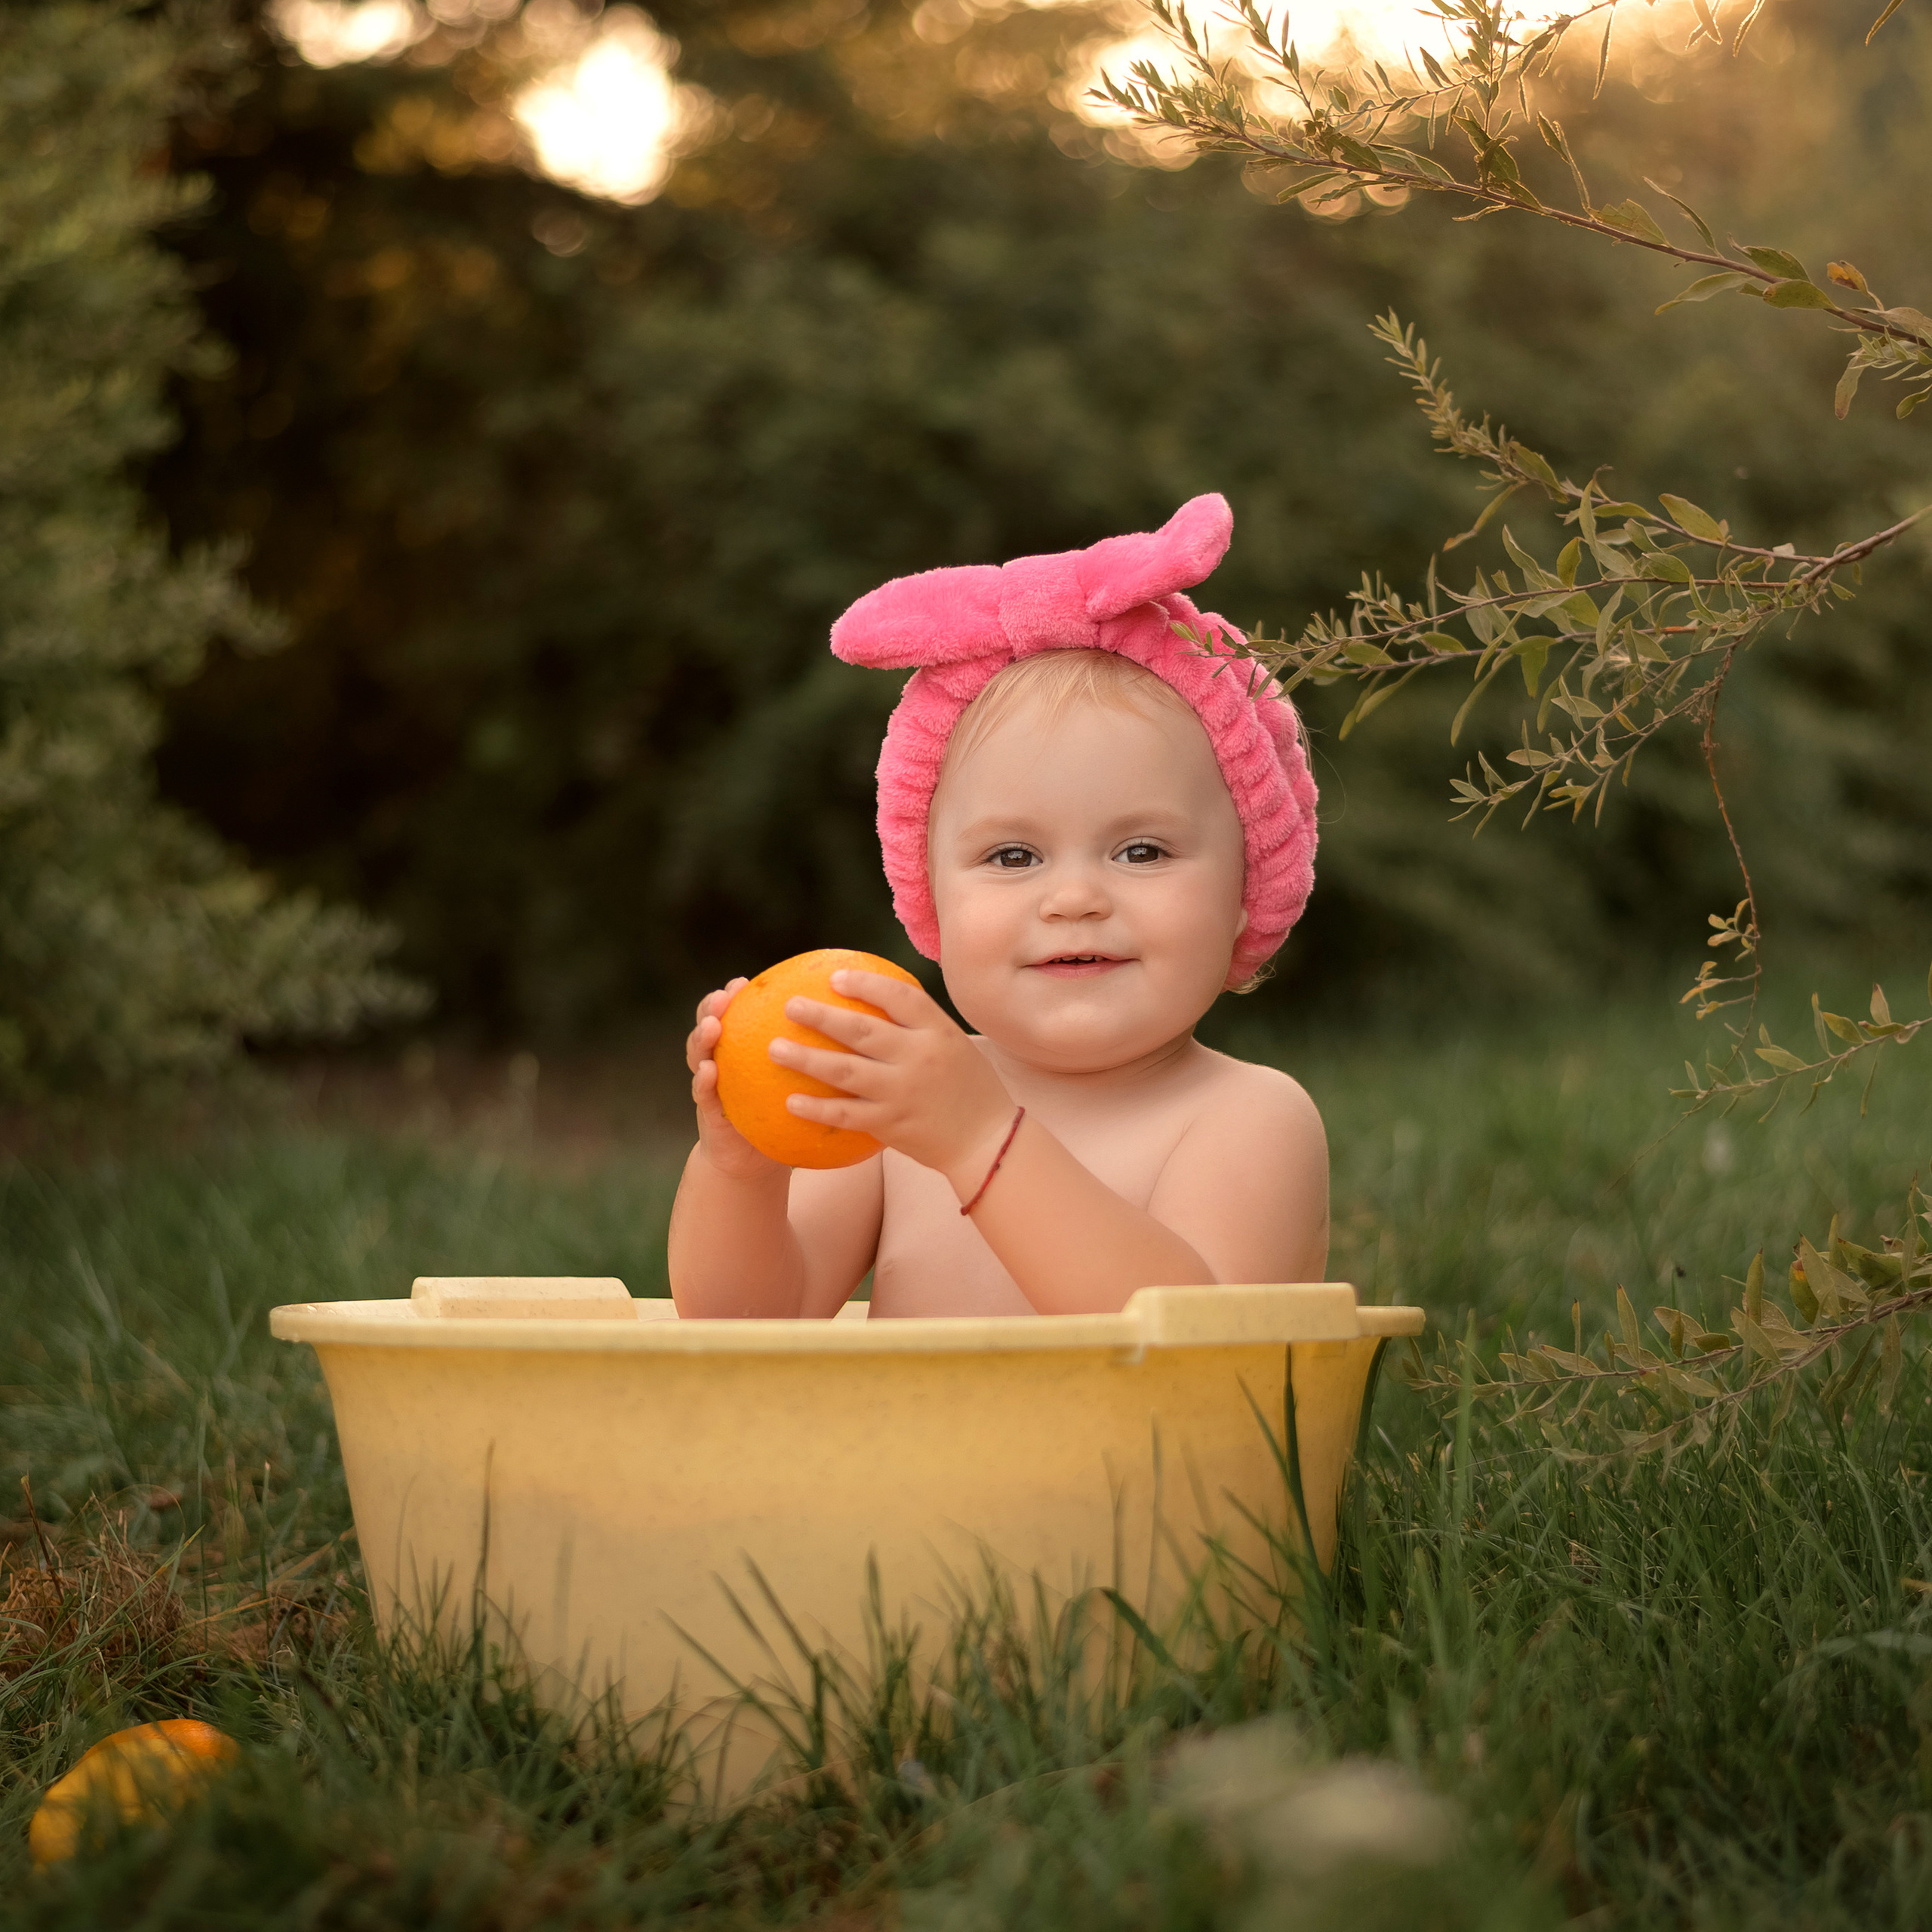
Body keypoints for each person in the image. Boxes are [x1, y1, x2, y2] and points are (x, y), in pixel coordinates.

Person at [668, 495, 1327, 1318]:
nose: (1077, 898)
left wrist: (982, 1141)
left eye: (1142, 851)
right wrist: (744, 1171)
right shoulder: (898, 1108)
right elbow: (745, 1330)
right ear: (931, 901)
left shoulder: (1249, 1120)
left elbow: (1197, 1361)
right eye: (1012, 856)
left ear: (1247, 886)